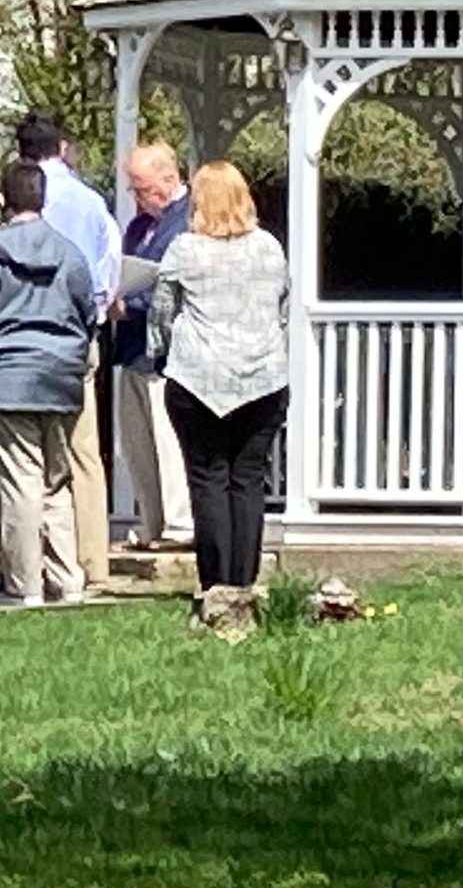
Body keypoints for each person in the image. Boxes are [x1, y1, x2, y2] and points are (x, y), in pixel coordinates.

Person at [0, 161, 95, 607]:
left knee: (18, 485)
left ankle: (24, 585)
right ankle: (67, 580)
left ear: (4, 202)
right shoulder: (70, 255)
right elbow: (88, 315)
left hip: (6, 380)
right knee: (55, 483)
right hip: (61, 381)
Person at [148, 161, 289, 601]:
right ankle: (244, 582)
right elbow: (282, 308)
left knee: (208, 479)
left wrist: (161, 353)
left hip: (198, 379)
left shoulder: (184, 250)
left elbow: (162, 314)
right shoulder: (269, 247)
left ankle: (215, 585)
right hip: (263, 378)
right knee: (248, 479)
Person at [15, 112, 120, 587]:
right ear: (61, 147)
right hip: (76, 336)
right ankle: (92, 559)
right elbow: (108, 268)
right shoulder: (90, 202)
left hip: (22, 341)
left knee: (28, 456)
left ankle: (32, 561)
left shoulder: (17, 204)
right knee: (83, 452)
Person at [116, 144, 194, 549]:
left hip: (167, 352)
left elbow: (178, 285)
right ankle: (152, 521)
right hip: (133, 347)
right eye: (133, 189)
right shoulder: (137, 228)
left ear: (168, 179)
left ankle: (180, 524)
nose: (138, 198)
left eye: (142, 189)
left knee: (168, 440)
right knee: (138, 443)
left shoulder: (189, 220)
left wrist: (131, 303)